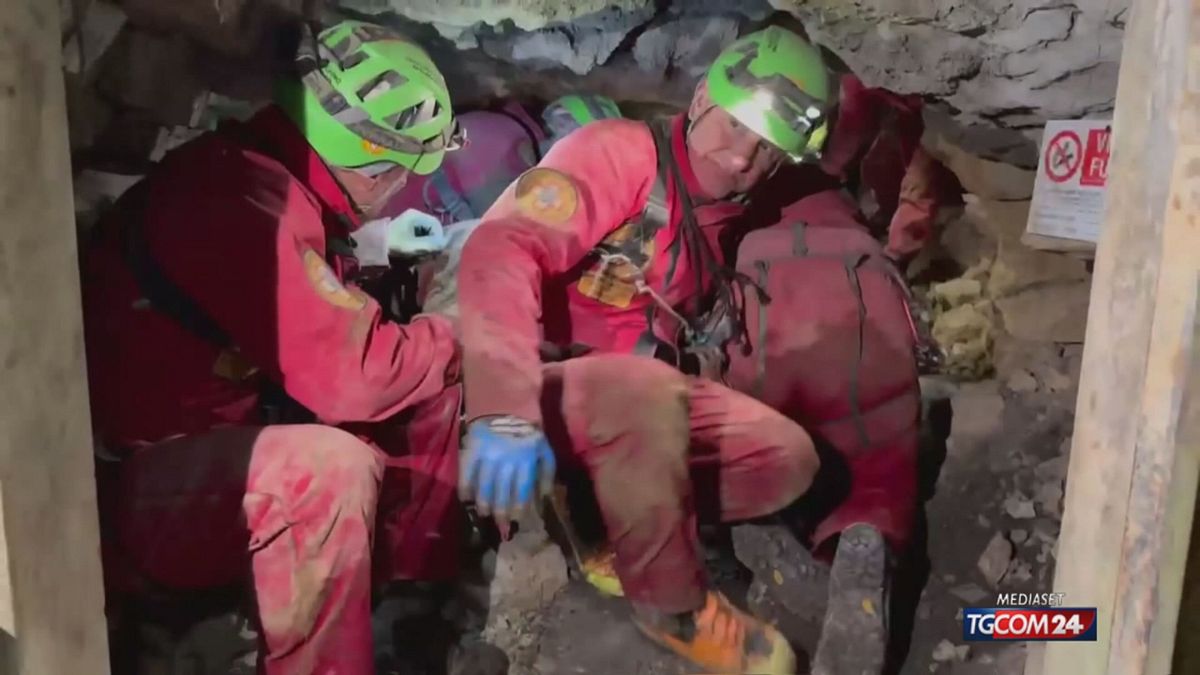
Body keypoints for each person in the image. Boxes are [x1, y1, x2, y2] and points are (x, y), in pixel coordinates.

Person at [82, 19, 466, 674]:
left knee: (428, 382)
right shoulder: (247, 202)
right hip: (134, 496)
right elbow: (357, 375)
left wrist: (399, 291)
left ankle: (405, 602)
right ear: (375, 168)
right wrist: (455, 326)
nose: (399, 189)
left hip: (213, 445)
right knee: (328, 470)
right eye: (402, 174)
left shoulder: (255, 176)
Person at [454, 26, 837, 674]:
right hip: (532, 379)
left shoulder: (723, 215)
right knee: (643, 390)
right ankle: (673, 606)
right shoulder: (618, 153)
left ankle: (607, 522)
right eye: (735, 127)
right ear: (699, 101)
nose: (743, 157)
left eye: (768, 147)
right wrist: (502, 405)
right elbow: (502, 250)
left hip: (627, 403)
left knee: (787, 459)